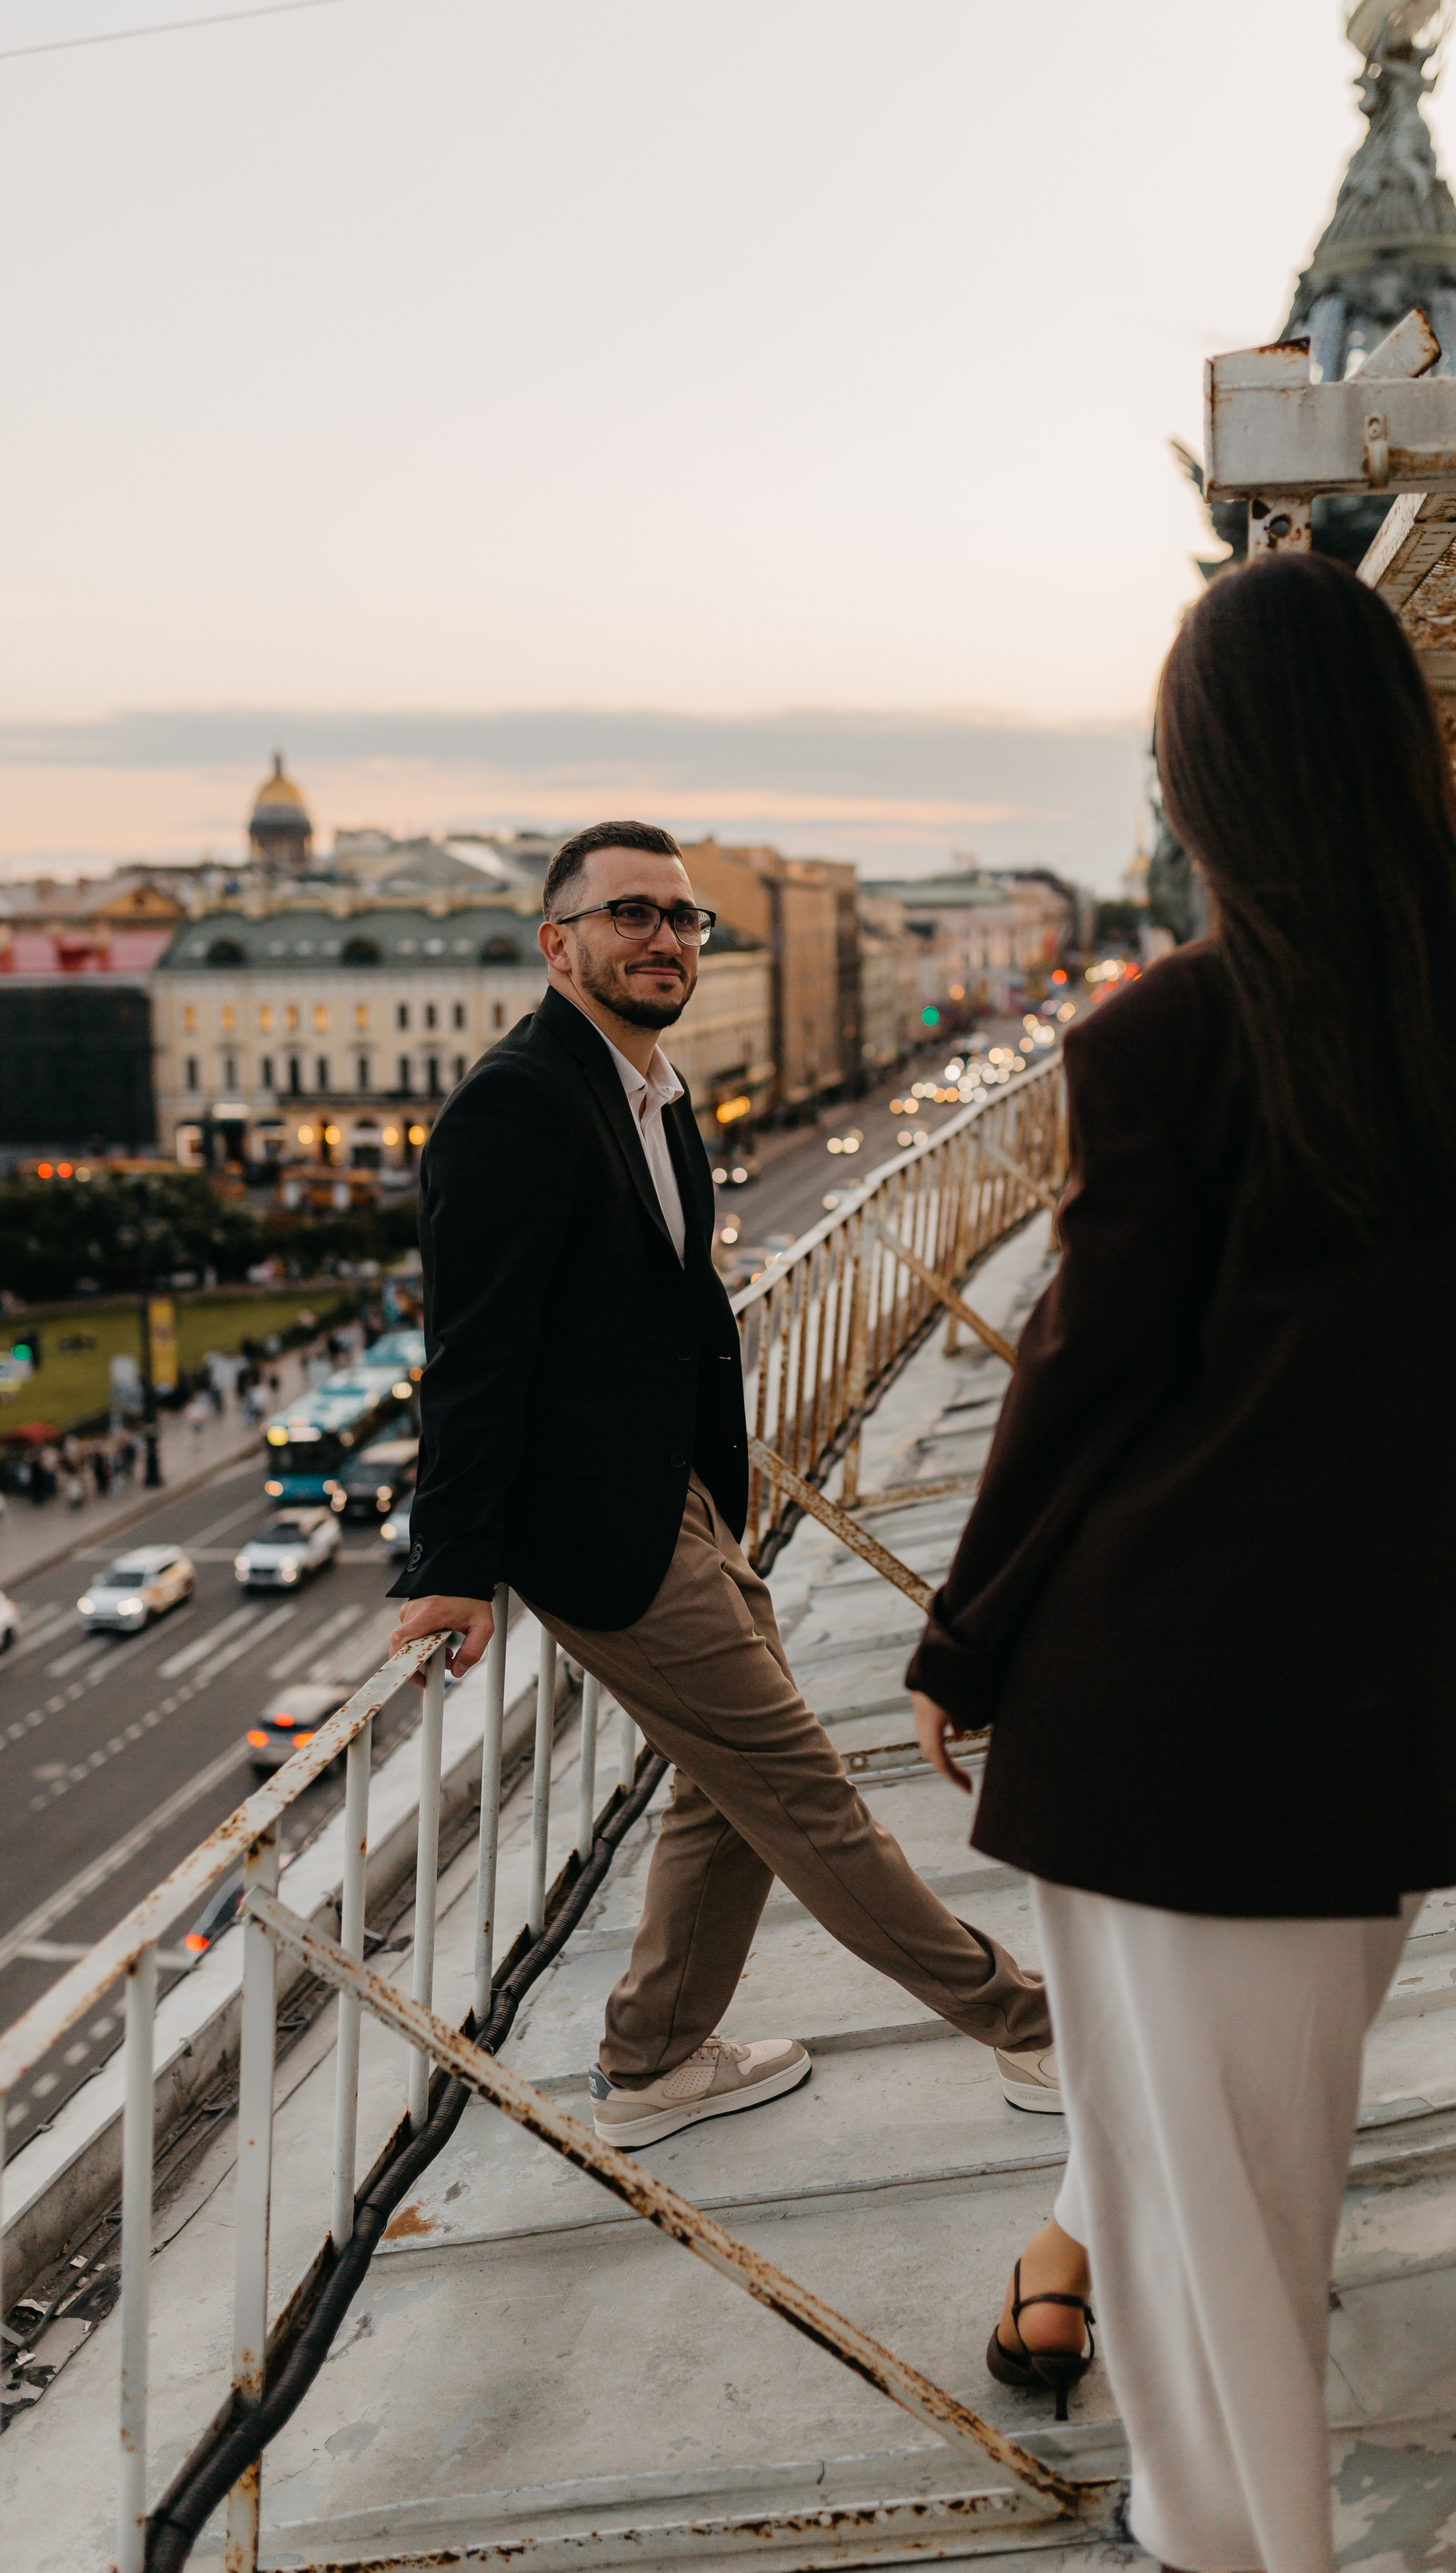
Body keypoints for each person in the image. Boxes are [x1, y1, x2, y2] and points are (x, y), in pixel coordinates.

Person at [906, 550, 1456, 2573]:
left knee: (1193, 2208)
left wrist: (964, 1642)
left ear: (1208, 782)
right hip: (1415, 1707)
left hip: (1169, 1712)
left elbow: (1088, 1382)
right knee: (1244, 2159)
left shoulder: (1175, 1041)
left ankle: (1233, 2545)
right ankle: (1205, 2514)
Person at [387, 818, 1059, 2147]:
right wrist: (451, 1564)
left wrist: (713, 1497)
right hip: (596, 1532)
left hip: (673, 1501)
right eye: (628, 914)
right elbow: (471, 1350)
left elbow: (676, 1303)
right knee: (801, 1791)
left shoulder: (650, 1088)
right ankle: (1034, 2031)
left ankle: (648, 2067)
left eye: (681, 918)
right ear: (557, 942)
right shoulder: (516, 1102)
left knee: (730, 1790)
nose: (661, 939)